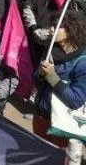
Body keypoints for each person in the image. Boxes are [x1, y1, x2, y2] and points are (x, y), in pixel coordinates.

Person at [34, 9, 86, 164]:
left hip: (61, 127)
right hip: (41, 117)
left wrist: (52, 77)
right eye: (52, 25)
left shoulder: (82, 62)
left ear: (70, 31)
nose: (51, 29)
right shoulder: (51, 51)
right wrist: (40, 75)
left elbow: (76, 100)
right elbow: (36, 81)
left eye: (57, 26)